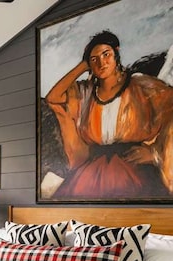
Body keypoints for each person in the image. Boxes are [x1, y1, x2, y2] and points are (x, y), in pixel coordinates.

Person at [45, 30, 173, 199]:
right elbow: (53, 98)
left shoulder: (140, 85)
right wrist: (83, 66)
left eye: (106, 55)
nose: (101, 63)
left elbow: (170, 112)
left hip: (134, 167)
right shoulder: (86, 92)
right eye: (94, 59)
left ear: (116, 54)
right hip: (93, 169)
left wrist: (155, 154)